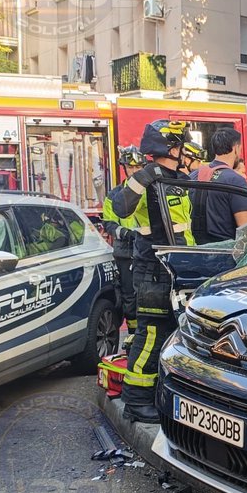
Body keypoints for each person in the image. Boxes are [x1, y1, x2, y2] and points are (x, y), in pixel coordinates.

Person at [108, 120, 195, 423]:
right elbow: (120, 207)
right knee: (150, 336)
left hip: (177, 270)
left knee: (172, 336)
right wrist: (144, 176)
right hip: (153, 271)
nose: (185, 152)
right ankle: (136, 400)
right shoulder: (148, 179)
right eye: (181, 146)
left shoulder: (178, 180)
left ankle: (158, 393)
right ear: (172, 148)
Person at [101, 146, 145, 349]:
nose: (134, 170)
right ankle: (134, 336)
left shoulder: (151, 189)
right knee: (129, 295)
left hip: (147, 249)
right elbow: (109, 223)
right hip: (126, 251)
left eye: (138, 166)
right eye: (130, 166)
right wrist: (125, 233)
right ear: (124, 168)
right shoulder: (115, 195)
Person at [190, 126, 247, 244]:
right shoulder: (235, 180)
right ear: (236, 148)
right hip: (223, 254)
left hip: (195, 251)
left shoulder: (193, 176)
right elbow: (246, 228)